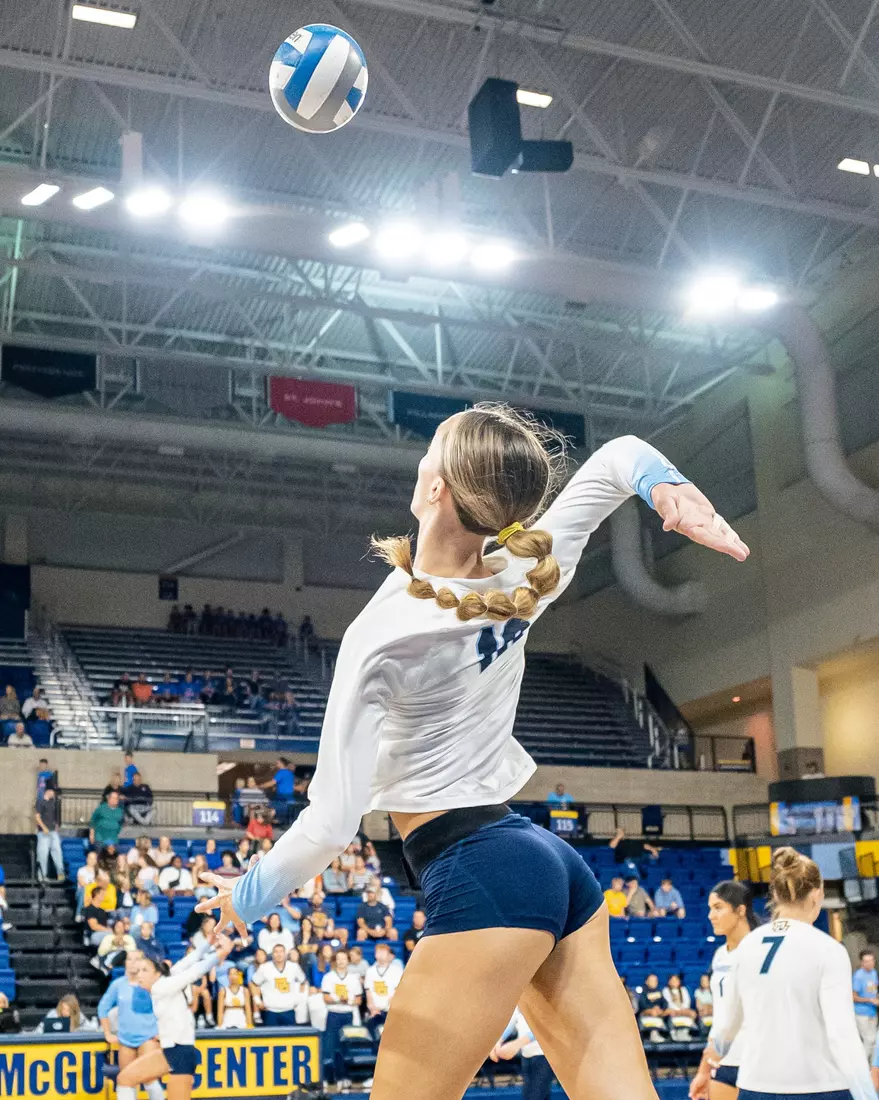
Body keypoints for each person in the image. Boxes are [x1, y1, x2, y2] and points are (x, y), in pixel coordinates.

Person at [196, 409, 748, 1100]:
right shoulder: (526, 571)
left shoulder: (385, 634)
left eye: (426, 455)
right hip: (546, 862)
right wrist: (667, 489)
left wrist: (246, 898)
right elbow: (618, 458)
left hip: (482, 873)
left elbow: (332, 824)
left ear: (437, 491)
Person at [712, 847, 873, 1100]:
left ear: (775, 893)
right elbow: (841, 1035)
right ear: (817, 894)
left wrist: (719, 1052)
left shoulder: (748, 946)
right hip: (820, 1087)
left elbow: (725, 1028)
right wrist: (867, 1095)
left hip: (756, 1086)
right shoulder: (828, 949)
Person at [116, 934, 234, 1100]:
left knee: (127, 1080)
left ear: (157, 974)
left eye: (145, 970)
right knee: (125, 1079)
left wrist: (220, 955)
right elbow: (187, 961)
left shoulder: (161, 987)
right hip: (170, 1050)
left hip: (181, 1052)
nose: (138, 974)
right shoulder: (164, 980)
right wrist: (208, 943)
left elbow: (193, 972)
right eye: (139, 970)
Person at [689, 880, 759, 1100]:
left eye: (718, 907)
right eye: (710, 908)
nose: (711, 915)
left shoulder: (760, 950)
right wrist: (704, 1069)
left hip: (758, 1063)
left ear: (740, 910)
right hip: (724, 1062)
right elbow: (721, 1019)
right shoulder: (720, 954)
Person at [99, 949, 163, 1100]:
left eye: (137, 959)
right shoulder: (118, 984)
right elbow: (103, 1007)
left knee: (149, 1078)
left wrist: (163, 1030)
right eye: (129, 959)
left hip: (148, 1037)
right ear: (125, 963)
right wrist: (108, 1033)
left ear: (143, 962)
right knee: (125, 1080)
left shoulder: (152, 983)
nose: (133, 962)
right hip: (126, 1039)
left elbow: (167, 1006)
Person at [491, 1006, 553, 1100]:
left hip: (544, 1055)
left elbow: (544, 1026)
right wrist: (497, 1041)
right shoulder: (519, 999)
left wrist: (517, 1044)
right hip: (527, 1055)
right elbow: (512, 1021)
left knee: (534, 1096)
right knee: (534, 1095)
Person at [321, 948, 363, 1085]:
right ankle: (331, 1078)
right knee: (331, 1047)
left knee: (346, 1047)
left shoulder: (353, 978)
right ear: (334, 961)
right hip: (334, 1014)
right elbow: (326, 997)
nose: (341, 962)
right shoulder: (328, 977)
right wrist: (339, 999)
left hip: (348, 1015)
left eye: (343, 959)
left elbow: (358, 1000)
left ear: (348, 961)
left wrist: (348, 1001)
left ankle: (345, 1077)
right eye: (338, 959)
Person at [251, 943, 309, 1026]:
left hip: (289, 1010)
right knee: (271, 1038)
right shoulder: (264, 968)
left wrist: (299, 998)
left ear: (285, 954)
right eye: (276, 952)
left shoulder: (294, 967)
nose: (279, 954)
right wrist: (257, 1000)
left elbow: (303, 982)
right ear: (272, 954)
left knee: (290, 1038)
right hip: (270, 1011)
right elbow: (253, 983)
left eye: (281, 951)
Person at [364, 942, 402, 1039]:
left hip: (390, 1010)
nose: (379, 954)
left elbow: (398, 991)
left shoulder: (396, 970)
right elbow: (368, 992)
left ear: (390, 955)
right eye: (377, 952)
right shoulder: (370, 971)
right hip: (374, 1010)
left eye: (382, 951)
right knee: (374, 1037)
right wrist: (372, 1008)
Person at [853, 948, 879, 1058]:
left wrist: (876, 998)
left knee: (873, 1041)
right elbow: (853, 996)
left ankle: (872, 1068)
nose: (870, 963)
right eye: (867, 961)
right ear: (862, 963)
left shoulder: (874, 973)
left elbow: (874, 990)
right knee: (869, 1040)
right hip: (861, 1013)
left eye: (872, 960)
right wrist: (869, 1000)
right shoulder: (858, 976)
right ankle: (862, 1066)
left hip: (873, 1012)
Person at [35, 785, 64, 881]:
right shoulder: (40, 802)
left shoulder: (53, 802)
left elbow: (54, 816)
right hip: (43, 833)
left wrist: (56, 826)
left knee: (57, 852)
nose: (54, 794)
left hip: (52, 831)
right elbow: (37, 817)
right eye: (53, 792)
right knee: (43, 854)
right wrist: (44, 828)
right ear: (48, 791)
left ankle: (60, 873)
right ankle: (42, 875)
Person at [663, 974, 698, 1039]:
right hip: (673, 1010)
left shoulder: (683, 989)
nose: (674, 982)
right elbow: (668, 1003)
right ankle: (673, 1033)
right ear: (669, 982)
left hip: (683, 1010)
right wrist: (678, 1011)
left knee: (692, 1013)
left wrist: (682, 1010)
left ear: (679, 981)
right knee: (669, 1012)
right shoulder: (665, 990)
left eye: (676, 980)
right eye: (672, 980)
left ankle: (684, 1032)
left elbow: (687, 1001)